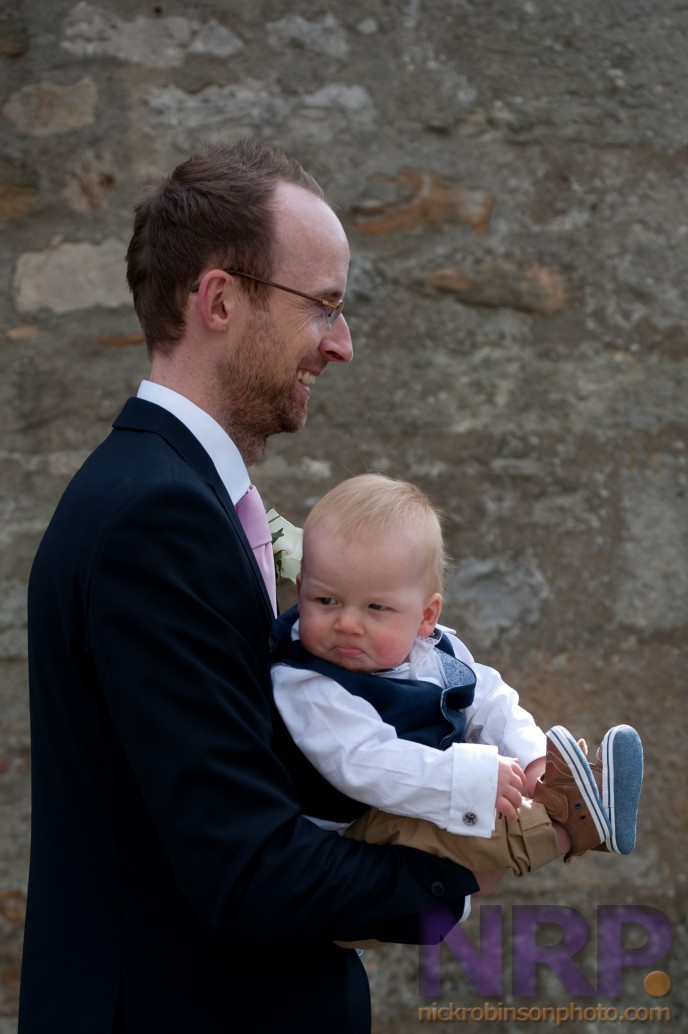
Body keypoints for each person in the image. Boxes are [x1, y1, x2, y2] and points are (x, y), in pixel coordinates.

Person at [18, 141, 480, 1034]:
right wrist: (450, 885)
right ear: (221, 300)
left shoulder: (174, 494)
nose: (341, 345)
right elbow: (243, 870)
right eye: (325, 307)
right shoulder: (155, 519)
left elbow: (249, 772)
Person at [270, 474, 644, 894]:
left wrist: (532, 760)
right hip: (344, 846)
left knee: (477, 800)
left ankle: (559, 787)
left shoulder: (435, 650)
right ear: (300, 592)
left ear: (426, 616)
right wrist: (467, 778)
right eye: (326, 601)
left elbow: (489, 700)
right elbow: (364, 763)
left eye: (377, 608)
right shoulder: (308, 682)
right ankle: (572, 828)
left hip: (415, 804)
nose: (348, 624)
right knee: (460, 818)